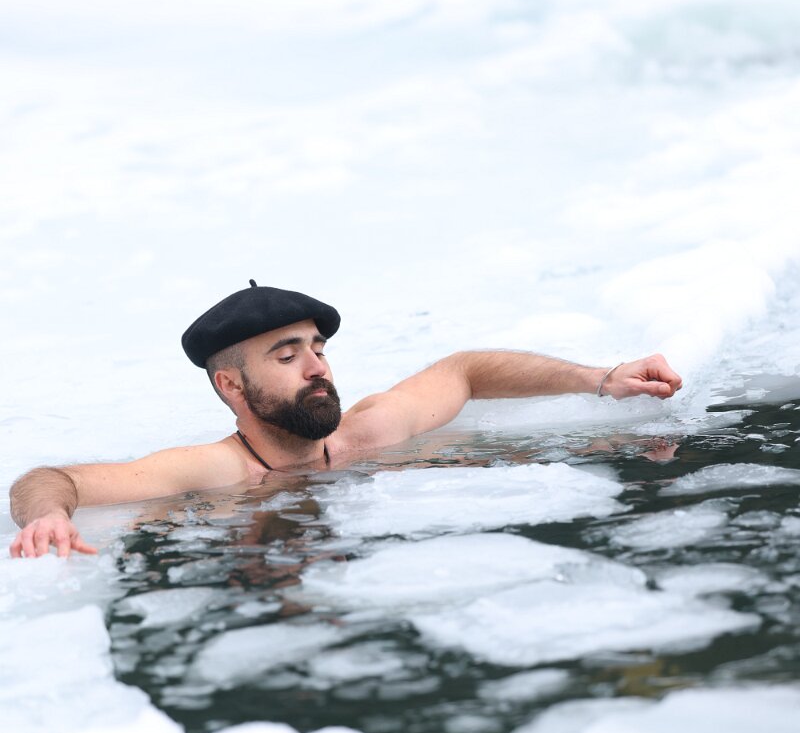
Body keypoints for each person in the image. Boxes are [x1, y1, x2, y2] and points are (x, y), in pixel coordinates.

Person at [9, 281, 683, 559]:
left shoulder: (368, 432)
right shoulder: (218, 470)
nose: (316, 368)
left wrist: (600, 379)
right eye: (287, 356)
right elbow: (52, 479)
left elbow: (466, 371)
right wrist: (48, 517)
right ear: (230, 384)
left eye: (319, 348)